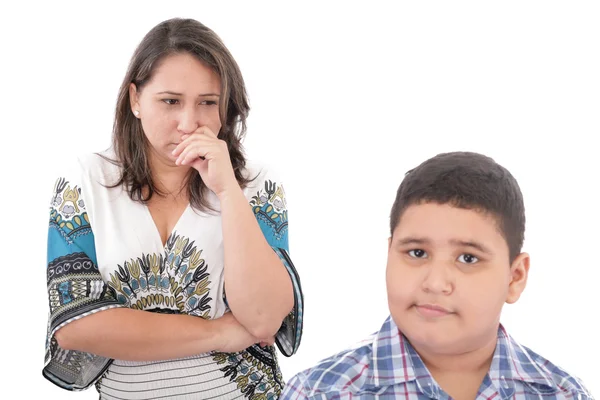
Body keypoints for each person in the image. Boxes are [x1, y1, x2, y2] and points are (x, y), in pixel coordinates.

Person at [43, 17, 303, 399]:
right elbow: (76, 324)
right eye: (170, 102)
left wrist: (228, 190)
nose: (188, 123)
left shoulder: (255, 184)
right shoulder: (86, 181)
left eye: (207, 103)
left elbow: (264, 319)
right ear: (135, 100)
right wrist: (220, 332)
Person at [280, 152, 592, 399]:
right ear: (390, 255)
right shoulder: (319, 392)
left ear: (515, 277)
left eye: (468, 258)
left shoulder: (563, 393)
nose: (435, 282)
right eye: (417, 253)